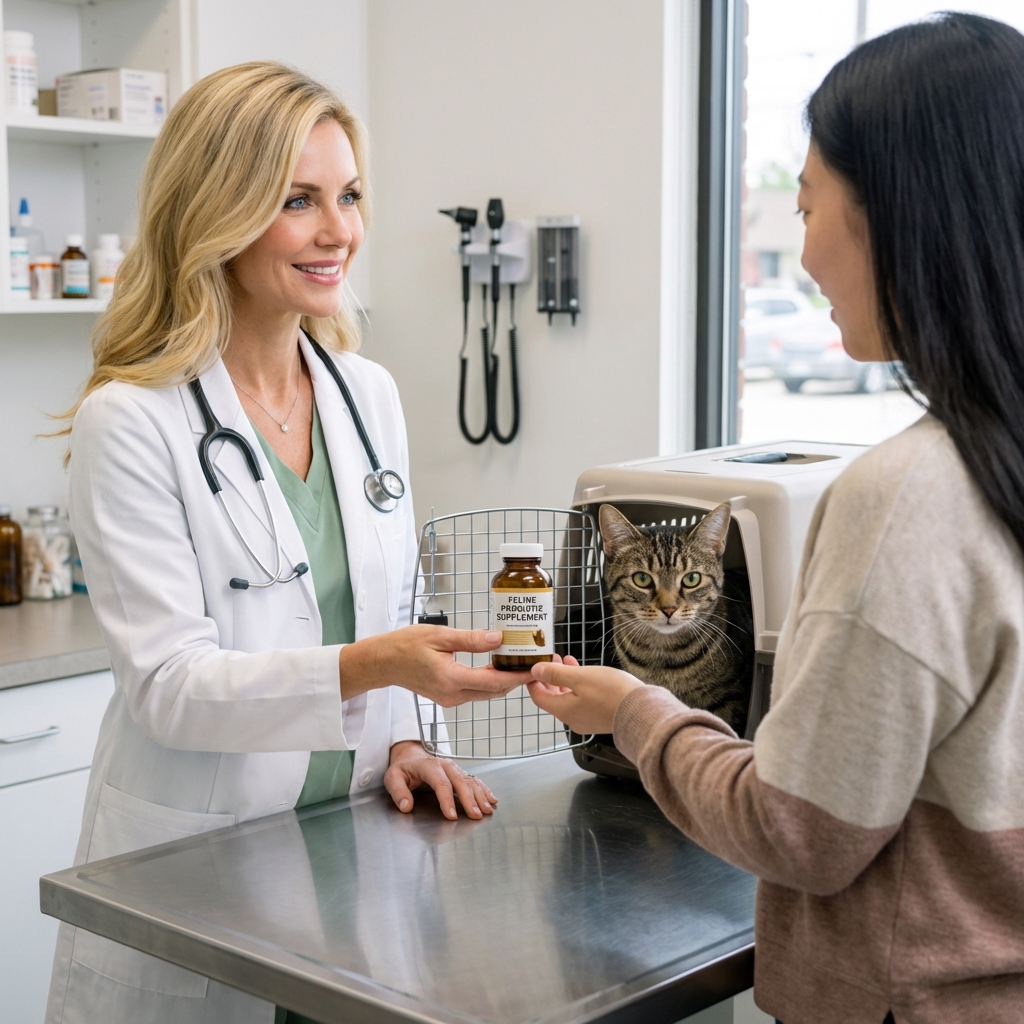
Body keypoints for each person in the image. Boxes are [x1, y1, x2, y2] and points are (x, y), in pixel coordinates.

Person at [531, 14, 1024, 1024]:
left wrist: (631, 709)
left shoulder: (908, 495)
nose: (800, 254)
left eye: (806, 207)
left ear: (894, 214)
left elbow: (799, 830)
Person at [46, 62, 507, 1024]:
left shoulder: (364, 392)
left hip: (354, 856)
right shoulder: (132, 421)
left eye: (348, 196)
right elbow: (169, 685)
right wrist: (375, 665)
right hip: (202, 871)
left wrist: (412, 741)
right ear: (218, 208)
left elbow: (396, 608)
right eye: (298, 200)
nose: (338, 230)